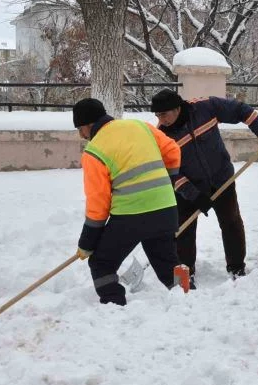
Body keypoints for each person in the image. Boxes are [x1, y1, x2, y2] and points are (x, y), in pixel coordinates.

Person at [150, 89, 258, 287]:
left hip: (222, 178)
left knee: (231, 222)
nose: (161, 119)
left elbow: (240, 110)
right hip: (189, 188)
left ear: (177, 108)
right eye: (157, 115)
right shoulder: (161, 136)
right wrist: (194, 196)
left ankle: (237, 267)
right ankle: (185, 275)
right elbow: (171, 174)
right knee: (184, 230)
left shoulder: (205, 107)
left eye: (164, 114)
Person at [74, 98, 184, 306]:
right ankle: (187, 292)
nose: (81, 135)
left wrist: (88, 242)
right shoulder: (139, 126)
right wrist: (165, 183)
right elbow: (173, 150)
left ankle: (115, 307)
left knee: (101, 263)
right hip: (166, 208)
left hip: (131, 217)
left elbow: (98, 203)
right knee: (168, 262)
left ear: (89, 124)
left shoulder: (94, 151)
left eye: (80, 128)